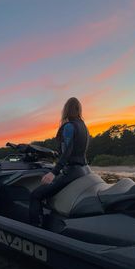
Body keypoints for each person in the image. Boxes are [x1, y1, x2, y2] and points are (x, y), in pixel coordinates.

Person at [29, 97, 90, 227]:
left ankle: (36, 230)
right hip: (83, 170)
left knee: (35, 195)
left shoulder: (69, 126)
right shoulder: (83, 126)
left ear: (66, 110)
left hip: (71, 171)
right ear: (79, 109)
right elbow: (75, 150)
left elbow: (67, 152)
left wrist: (53, 172)